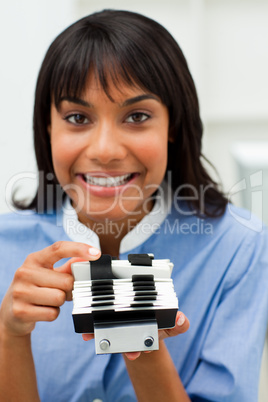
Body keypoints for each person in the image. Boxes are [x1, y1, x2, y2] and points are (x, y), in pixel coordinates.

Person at [0, 9, 267, 402]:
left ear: (173, 125)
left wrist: (138, 339)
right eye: (77, 117)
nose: (105, 151)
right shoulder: (5, 246)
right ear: (48, 127)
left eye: (137, 116)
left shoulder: (239, 247)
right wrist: (10, 336)